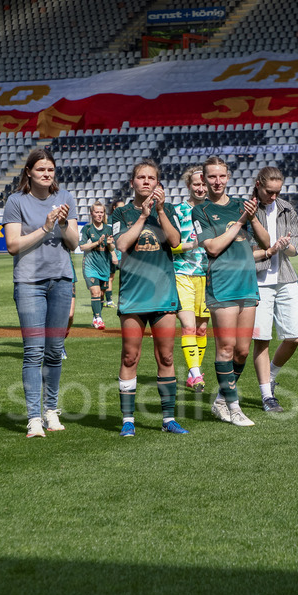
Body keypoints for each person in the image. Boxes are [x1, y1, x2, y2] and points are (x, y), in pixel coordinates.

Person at [111, 159, 188, 437]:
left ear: (158, 183)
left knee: (166, 356)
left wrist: (158, 211)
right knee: (130, 356)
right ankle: (128, 420)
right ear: (132, 182)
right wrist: (143, 216)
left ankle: (168, 419)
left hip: (163, 293)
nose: (146, 181)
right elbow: (121, 245)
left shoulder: (167, 210)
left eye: (151, 178)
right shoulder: (121, 214)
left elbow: (176, 241)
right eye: (141, 177)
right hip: (133, 295)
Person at [4, 148, 78, 438]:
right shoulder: (15, 201)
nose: (47, 174)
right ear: (29, 173)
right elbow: (12, 245)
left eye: (50, 170)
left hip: (61, 280)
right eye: (41, 170)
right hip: (29, 283)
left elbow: (73, 243)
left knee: (54, 352)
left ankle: (51, 410)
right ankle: (34, 417)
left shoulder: (66, 198)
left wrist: (61, 224)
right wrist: (46, 227)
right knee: (33, 352)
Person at [192, 156, 270, 427]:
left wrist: (253, 216)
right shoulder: (200, 211)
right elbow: (212, 248)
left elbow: (266, 242)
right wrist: (239, 222)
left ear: (228, 177)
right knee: (225, 348)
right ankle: (234, 407)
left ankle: (222, 400)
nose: (217, 181)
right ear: (204, 179)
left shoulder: (241, 205)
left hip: (247, 282)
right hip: (222, 284)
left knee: (243, 351)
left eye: (221, 176)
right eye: (211, 176)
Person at [249, 166, 298, 413]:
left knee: (295, 336)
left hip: (285, 277)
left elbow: (295, 249)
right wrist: (271, 248)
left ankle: (270, 376)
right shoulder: (246, 209)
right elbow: (244, 251)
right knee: (262, 339)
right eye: (269, 192)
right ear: (258, 184)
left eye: (277, 192)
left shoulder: (287, 208)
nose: (273, 197)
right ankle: (266, 395)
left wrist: (285, 246)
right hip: (257, 280)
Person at [172, 165, 210, 392]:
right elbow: (171, 245)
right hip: (182, 273)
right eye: (196, 183)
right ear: (188, 186)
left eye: (204, 183)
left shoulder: (212, 210)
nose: (201, 188)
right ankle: (196, 374)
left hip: (208, 275)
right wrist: (193, 244)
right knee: (188, 326)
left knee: (202, 330)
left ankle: (191, 371)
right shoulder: (178, 211)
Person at [79, 201, 113, 330]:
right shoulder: (87, 229)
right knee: (95, 292)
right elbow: (82, 246)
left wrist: (110, 244)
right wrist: (96, 243)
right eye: (96, 212)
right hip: (90, 266)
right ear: (91, 213)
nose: (99, 215)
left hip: (104, 265)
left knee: (101, 295)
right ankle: (99, 319)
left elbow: (112, 247)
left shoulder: (108, 229)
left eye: (101, 212)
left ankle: (96, 316)